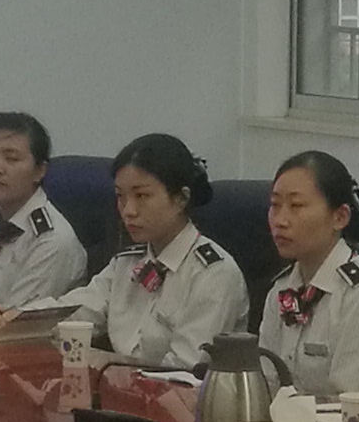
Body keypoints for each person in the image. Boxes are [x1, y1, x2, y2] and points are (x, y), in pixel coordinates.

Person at [254, 148, 359, 397]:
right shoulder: (282, 289)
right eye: (275, 205)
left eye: (296, 205)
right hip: (289, 419)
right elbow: (266, 384)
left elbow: (351, 403)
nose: (280, 220)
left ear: (340, 217)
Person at [78, 130, 247, 370]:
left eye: (142, 195)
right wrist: (25, 320)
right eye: (120, 196)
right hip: (122, 388)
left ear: (181, 199)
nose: (128, 210)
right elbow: (76, 312)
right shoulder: (127, 262)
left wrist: (115, 362)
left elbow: (188, 368)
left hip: (182, 393)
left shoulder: (215, 274)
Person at [0, 108, 91, 329]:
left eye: (11, 158)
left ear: (40, 171)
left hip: (18, 347)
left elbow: (9, 328)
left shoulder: (52, 240)